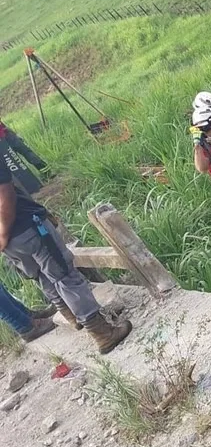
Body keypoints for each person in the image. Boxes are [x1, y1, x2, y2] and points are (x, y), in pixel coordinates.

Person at [0, 160, 132, 354]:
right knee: (64, 274)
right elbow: (5, 196)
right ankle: (102, 332)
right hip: (25, 227)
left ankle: (72, 317)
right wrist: (3, 233)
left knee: (42, 276)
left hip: (11, 244)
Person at [0, 119, 48, 193]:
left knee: (23, 155)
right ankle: (32, 184)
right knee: (17, 162)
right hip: (5, 138)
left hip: (5, 137)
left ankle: (45, 173)